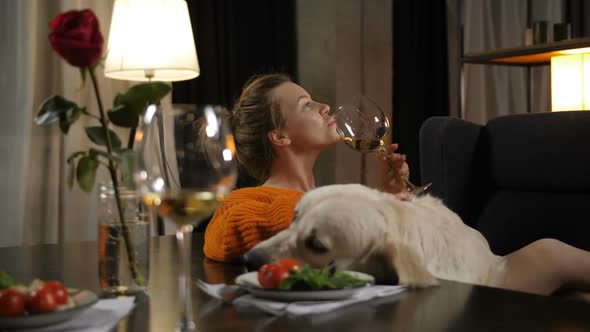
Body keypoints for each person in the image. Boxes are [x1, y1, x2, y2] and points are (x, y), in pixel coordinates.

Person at [204, 73, 409, 263]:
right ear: (280, 136)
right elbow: (222, 236)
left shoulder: (329, 200)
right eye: (307, 105)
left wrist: (392, 196)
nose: (325, 107)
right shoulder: (247, 200)